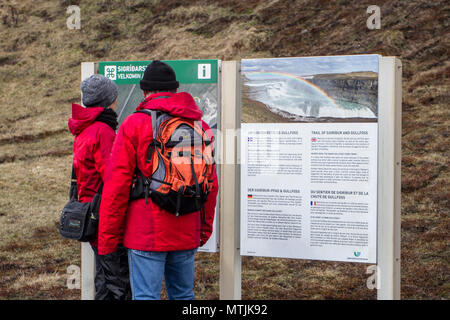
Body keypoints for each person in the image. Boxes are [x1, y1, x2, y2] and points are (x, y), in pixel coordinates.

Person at [98, 60, 219, 300]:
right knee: (184, 295)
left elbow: (117, 186)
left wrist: (107, 240)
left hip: (146, 231)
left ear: (144, 92)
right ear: (175, 90)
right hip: (187, 227)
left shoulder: (134, 124)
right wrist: (203, 229)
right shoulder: (200, 125)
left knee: (146, 296)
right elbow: (211, 183)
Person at [68, 74, 131, 300]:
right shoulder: (103, 131)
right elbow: (113, 176)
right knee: (116, 282)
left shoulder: (84, 129)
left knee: (104, 279)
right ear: (109, 101)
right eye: (115, 98)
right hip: (105, 216)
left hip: (92, 211)